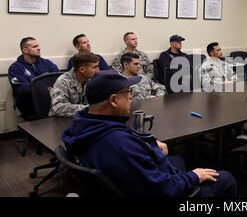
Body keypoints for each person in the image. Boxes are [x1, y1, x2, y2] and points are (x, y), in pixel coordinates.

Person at [61, 70, 237, 197]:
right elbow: (162, 189)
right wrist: (194, 176)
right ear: (113, 100)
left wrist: (150, 145)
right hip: (157, 188)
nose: (130, 96)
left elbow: (121, 136)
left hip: (122, 178)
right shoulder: (119, 144)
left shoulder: (83, 123)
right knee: (226, 178)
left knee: (178, 160)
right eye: (127, 93)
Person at [8, 37, 59, 117]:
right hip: (30, 104)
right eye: (35, 47)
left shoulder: (47, 63)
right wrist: (47, 88)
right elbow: (23, 90)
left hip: (51, 101)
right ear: (25, 50)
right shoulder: (15, 68)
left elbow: (59, 81)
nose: (39, 48)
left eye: (38, 46)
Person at [49, 52, 99, 117]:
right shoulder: (63, 81)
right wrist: (88, 109)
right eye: (94, 67)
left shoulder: (91, 80)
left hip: (81, 118)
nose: (98, 70)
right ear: (82, 69)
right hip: (59, 121)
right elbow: (59, 108)